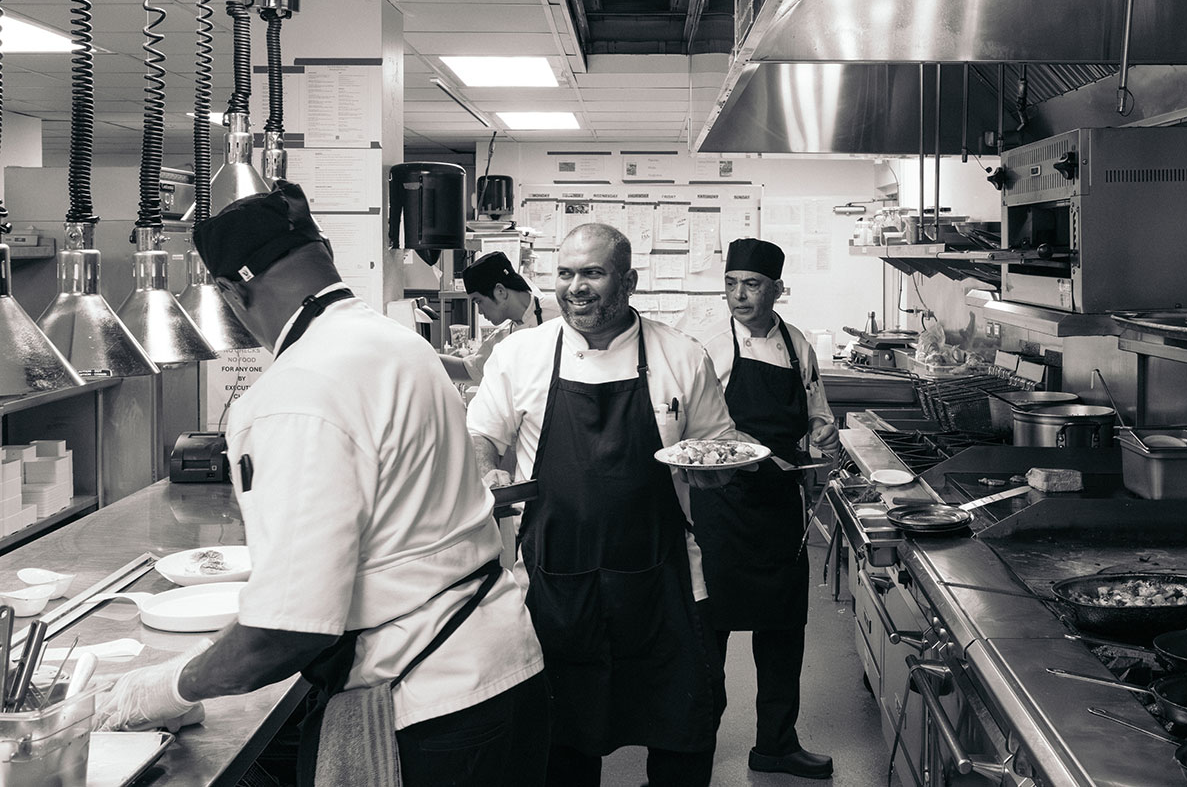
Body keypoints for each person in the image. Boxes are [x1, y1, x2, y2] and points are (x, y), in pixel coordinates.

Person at [95, 181, 550, 787]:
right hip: (504, 664)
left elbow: (287, 629)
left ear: (233, 292)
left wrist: (159, 690)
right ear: (325, 252)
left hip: (430, 702)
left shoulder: (293, 391)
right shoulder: (399, 345)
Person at [468, 222, 741, 787]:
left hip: (664, 582)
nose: (576, 287)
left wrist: (718, 471)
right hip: (554, 583)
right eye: (565, 273)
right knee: (561, 746)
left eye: (592, 273)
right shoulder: (521, 355)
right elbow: (485, 437)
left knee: (683, 734)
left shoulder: (681, 356)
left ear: (629, 280)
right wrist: (485, 469)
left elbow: (718, 444)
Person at [694, 238, 841, 780]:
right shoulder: (709, 342)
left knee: (783, 630)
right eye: (731, 284)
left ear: (777, 289)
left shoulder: (797, 344)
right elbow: (695, 425)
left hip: (780, 506)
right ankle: (693, 747)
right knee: (710, 633)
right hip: (723, 505)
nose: (738, 295)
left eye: (751, 285)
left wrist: (823, 441)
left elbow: (815, 408)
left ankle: (776, 743)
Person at [441, 250, 560, 383]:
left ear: (500, 291)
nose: (479, 311)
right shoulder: (501, 337)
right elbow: (469, 369)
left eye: (479, 301)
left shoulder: (560, 313)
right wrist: (423, 355)